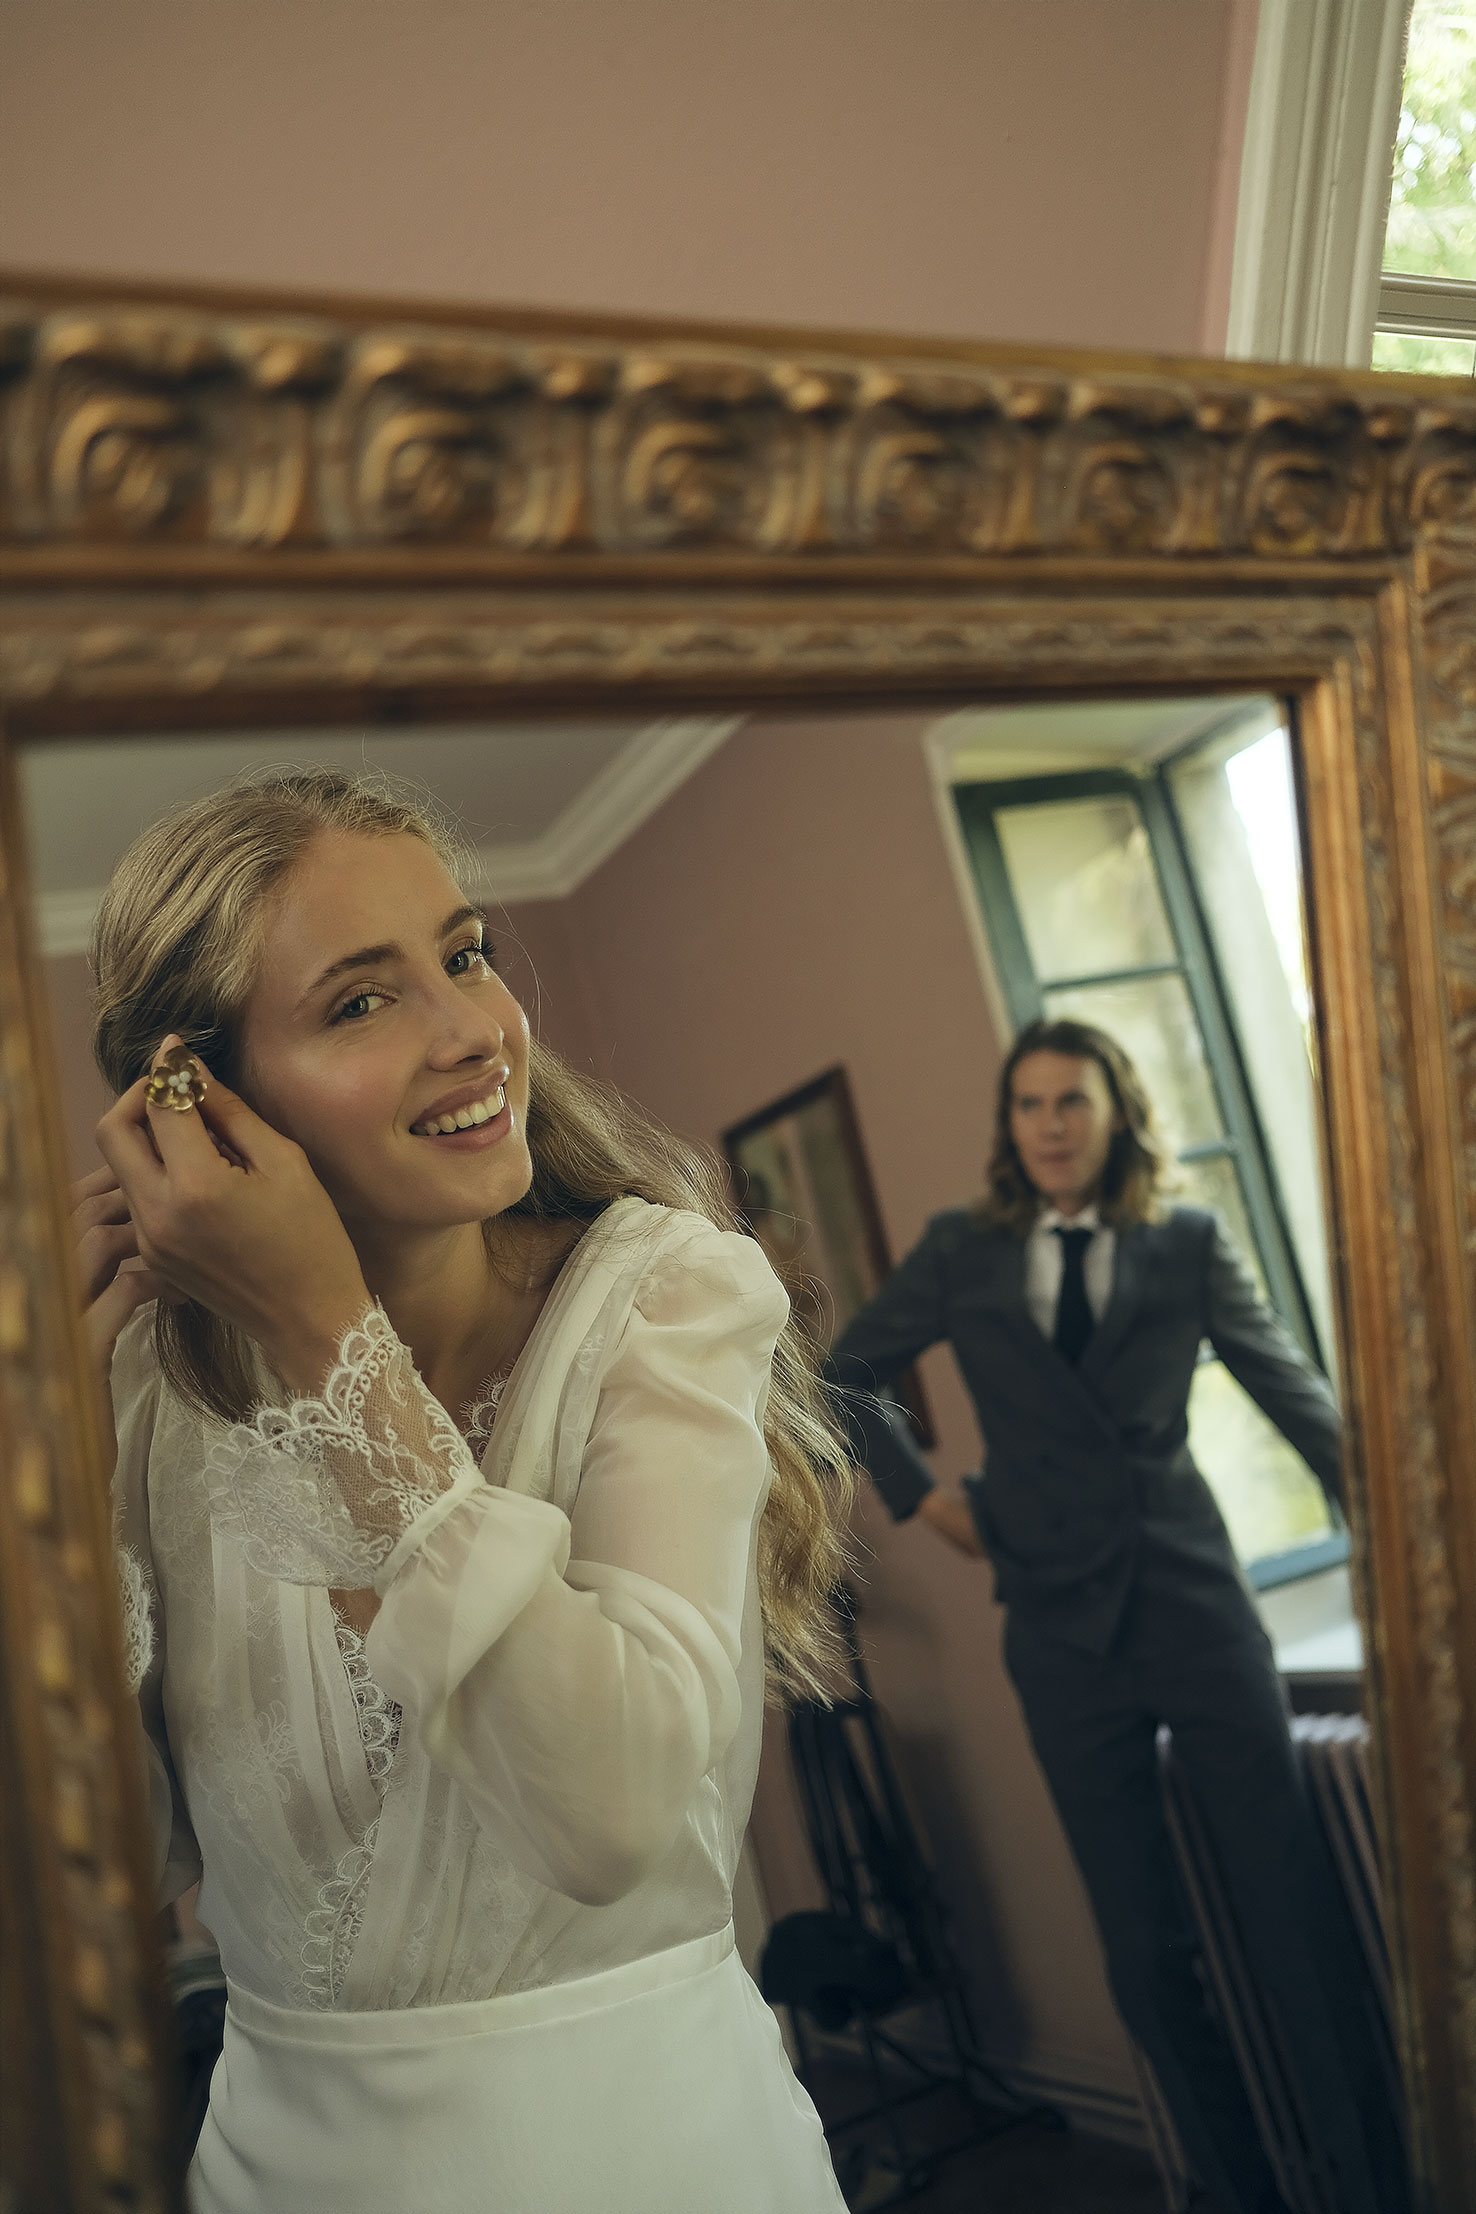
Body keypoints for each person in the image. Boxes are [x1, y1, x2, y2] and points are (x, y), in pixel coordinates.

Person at [75, 769, 852, 2214]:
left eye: (465, 953)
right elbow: (103, 1866)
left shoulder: (665, 1301)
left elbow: (611, 1814)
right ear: (199, 1101)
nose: (474, 1032)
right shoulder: (140, 1403)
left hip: (667, 2158)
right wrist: (28, 1477)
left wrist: (328, 1342)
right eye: (362, 1001)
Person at [824, 1019, 1407, 2214]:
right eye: (1029, 1105)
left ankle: (1371, 2192)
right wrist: (926, 1499)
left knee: (1295, 1926)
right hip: (1057, 1631)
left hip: (1197, 1608)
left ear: (1116, 1115)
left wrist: (1413, 1551)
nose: (1049, 1125)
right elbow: (841, 1372)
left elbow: (1300, 1401)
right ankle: (1236, 2193)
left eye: (1072, 1103)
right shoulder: (963, 1251)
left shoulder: (1185, 1244)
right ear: (1011, 1125)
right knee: (1146, 1954)